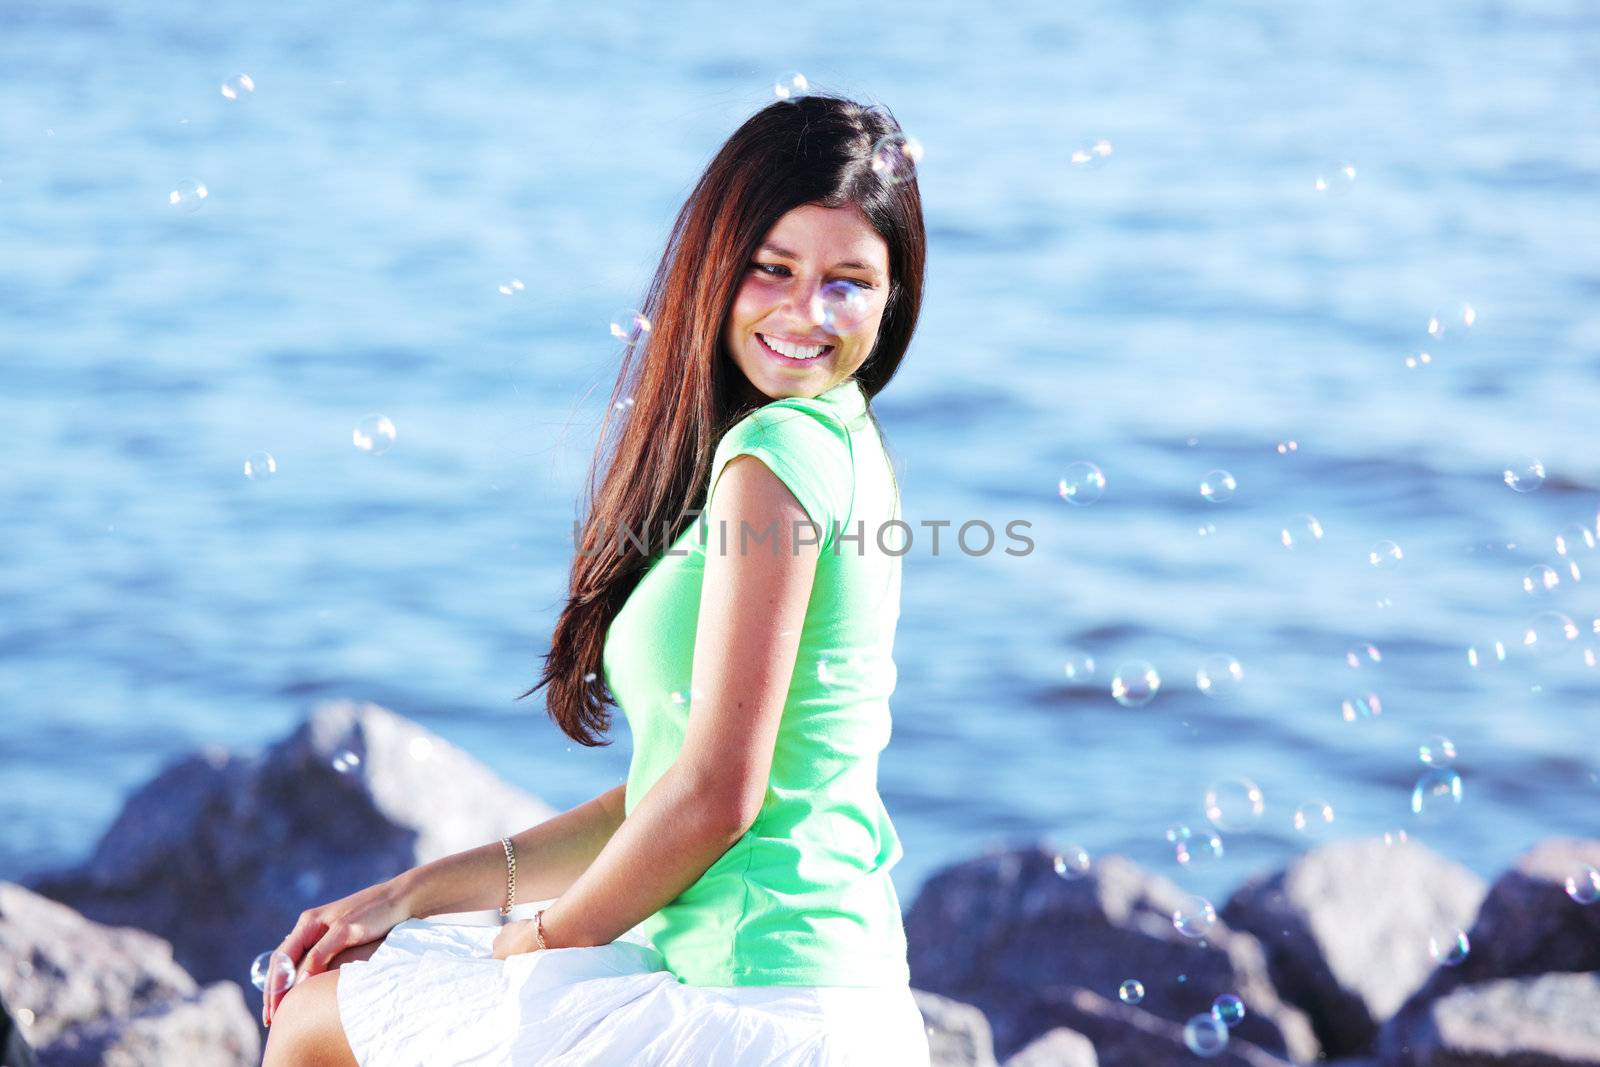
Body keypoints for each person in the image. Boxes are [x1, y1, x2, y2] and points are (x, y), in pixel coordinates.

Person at [261, 90, 929, 1066]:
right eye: (772, 268)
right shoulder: (843, 440)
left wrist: (541, 938)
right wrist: (408, 891)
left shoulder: (777, 452)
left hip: (764, 1011)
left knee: (317, 1020)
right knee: (353, 989)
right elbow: (656, 798)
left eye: (848, 283)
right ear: (717, 265)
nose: (804, 311)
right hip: (820, 992)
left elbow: (713, 801)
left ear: (893, 297)